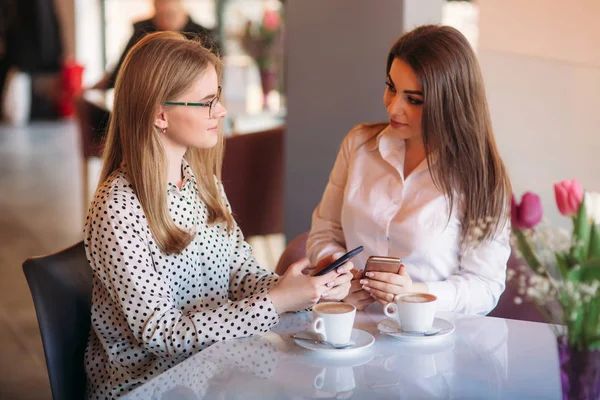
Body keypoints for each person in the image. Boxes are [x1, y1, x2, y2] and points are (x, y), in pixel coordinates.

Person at [83, 31, 353, 399]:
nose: (222, 111)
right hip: (152, 387)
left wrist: (299, 287)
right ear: (160, 114)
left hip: (217, 369)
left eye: (218, 98)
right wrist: (277, 301)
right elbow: (164, 334)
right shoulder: (118, 208)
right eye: (207, 102)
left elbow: (240, 273)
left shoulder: (202, 182)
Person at [306, 25, 512, 315]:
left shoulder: (481, 178)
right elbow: (323, 232)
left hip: (432, 342)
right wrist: (339, 272)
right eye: (391, 87)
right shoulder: (359, 145)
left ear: (449, 104)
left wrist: (415, 293)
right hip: (353, 331)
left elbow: (485, 286)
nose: (393, 108)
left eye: (413, 100)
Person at [92, 0, 219, 90]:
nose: (165, 21)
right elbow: (123, 65)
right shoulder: (142, 30)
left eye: (170, 14)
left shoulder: (203, 35)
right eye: (161, 15)